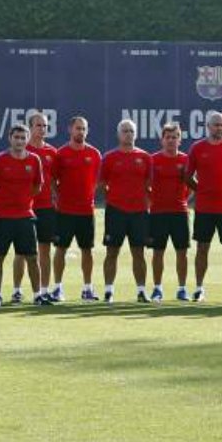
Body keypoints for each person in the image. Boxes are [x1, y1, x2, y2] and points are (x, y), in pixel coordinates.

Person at [0, 124, 45, 306]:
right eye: (16, 137)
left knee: (32, 257)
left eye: (22, 137)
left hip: (25, 216)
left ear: (28, 140)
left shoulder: (34, 160)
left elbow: (37, 186)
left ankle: (37, 295)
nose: (19, 141)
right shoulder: (0, 159)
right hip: (2, 216)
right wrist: (1, 200)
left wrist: (23, 200)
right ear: (10, 139)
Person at [186, 111, 222, 303]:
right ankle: (199, 288)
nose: (219, 128)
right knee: (202, 248)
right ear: (208, 126)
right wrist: (201, 190)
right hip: (205, 208)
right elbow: (187, 176)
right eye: (215, 125)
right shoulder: (197, 148)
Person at [49, 115, 103, 301]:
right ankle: (57, 288)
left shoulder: (95, 154)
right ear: (70, 130)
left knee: (87, 250)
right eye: (78, 128)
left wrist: (88, 194)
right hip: (64, 211)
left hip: (86, 212)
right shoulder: (61, 153)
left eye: (84, 129)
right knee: (60, 249)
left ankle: (87, 288)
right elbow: (52, 180)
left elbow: (97, 180)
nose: (81, 132)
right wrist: (58, 196)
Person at [100, 119, 154, 301]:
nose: (128, 134)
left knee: (139, 252)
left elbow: (150, 184)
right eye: (125, 131)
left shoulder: (145, 158)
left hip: (139, 212)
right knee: (112, 252)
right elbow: (102, 184)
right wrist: (113, 199)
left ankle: (141, 291)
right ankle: (108, 291)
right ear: (118, 134)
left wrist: (144, 201)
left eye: (131, 131)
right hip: (116, 211)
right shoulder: (109, 157)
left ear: (136, 134)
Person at [144, 120, 192, 302]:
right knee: (158, 252)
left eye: (175, 137)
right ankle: (157, 289)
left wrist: (184, 201)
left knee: (182, 252)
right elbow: (144, 185)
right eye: (168, 137)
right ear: (162, 140)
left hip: (180, 213)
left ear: (180, 140)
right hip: (157, 213)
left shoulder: (185, 159)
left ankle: (182, 289)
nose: (171, 140)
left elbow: (192, 184)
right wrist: (152, 200)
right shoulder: (153, 159)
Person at [26, 110, 61, 300]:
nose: (42, 129)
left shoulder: (52, 152)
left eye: (45, 125)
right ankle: (17, 290)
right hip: (26, 207)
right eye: (38, 125)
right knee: (24, 252)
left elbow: (56, 180)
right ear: (30, 128)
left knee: (45, 250)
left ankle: (45, 290)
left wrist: (56, 199)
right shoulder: (24, 150)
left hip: (47, 207)